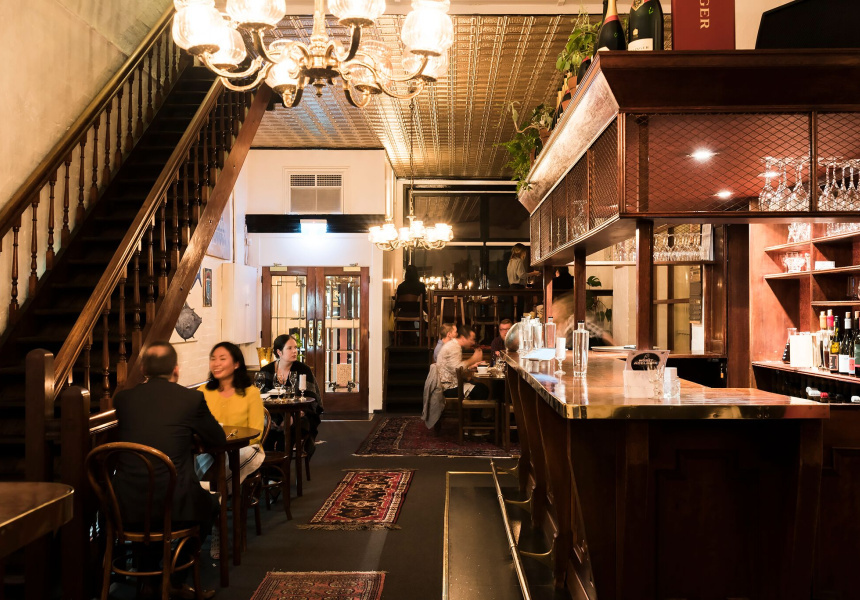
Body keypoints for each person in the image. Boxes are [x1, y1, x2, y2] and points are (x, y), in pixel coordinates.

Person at [112, 341, 224, 600]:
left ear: (142, 369)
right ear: (176, 369)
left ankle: (148, 580)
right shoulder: (190, 399)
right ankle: (174, 579)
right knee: (210, 506)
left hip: (124, 504)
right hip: (174, 504)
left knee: (147, 509)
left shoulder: (123, 400)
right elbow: (217, 439)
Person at [197, 342, 265, 488]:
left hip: (245, 447)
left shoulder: (251, 393)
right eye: (213, 359)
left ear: (236, 364)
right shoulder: (202, 392)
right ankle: (208, 494)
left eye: (222, 359)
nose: (216, 363)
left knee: (232, 460)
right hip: (212, 448)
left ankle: (212, 495)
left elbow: (257, 433)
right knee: (197, 461)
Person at [259, 334, 323, 455]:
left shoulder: (303, 370)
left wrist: (294, 416)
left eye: (295, 347)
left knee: (286, 439)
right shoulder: (266, 371)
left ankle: (283, 465)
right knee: (266, 438)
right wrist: (275, 421)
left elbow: (311, 398)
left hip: (299, 415)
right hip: (271, 417)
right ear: (279, 352)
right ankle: (267, 466)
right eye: (289, 348)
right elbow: (261, 398)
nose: (294, 351)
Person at [436, 324, 490, 400]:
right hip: (448, 388)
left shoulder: (454, 345)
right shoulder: (454, 347)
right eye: (472, 339)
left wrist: (469, 368)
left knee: (481, 387)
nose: (473, 342)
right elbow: (457, 369)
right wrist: (473, 359)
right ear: (463, 338)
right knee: (481, 391)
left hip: (452, 384)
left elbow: (455, 368)